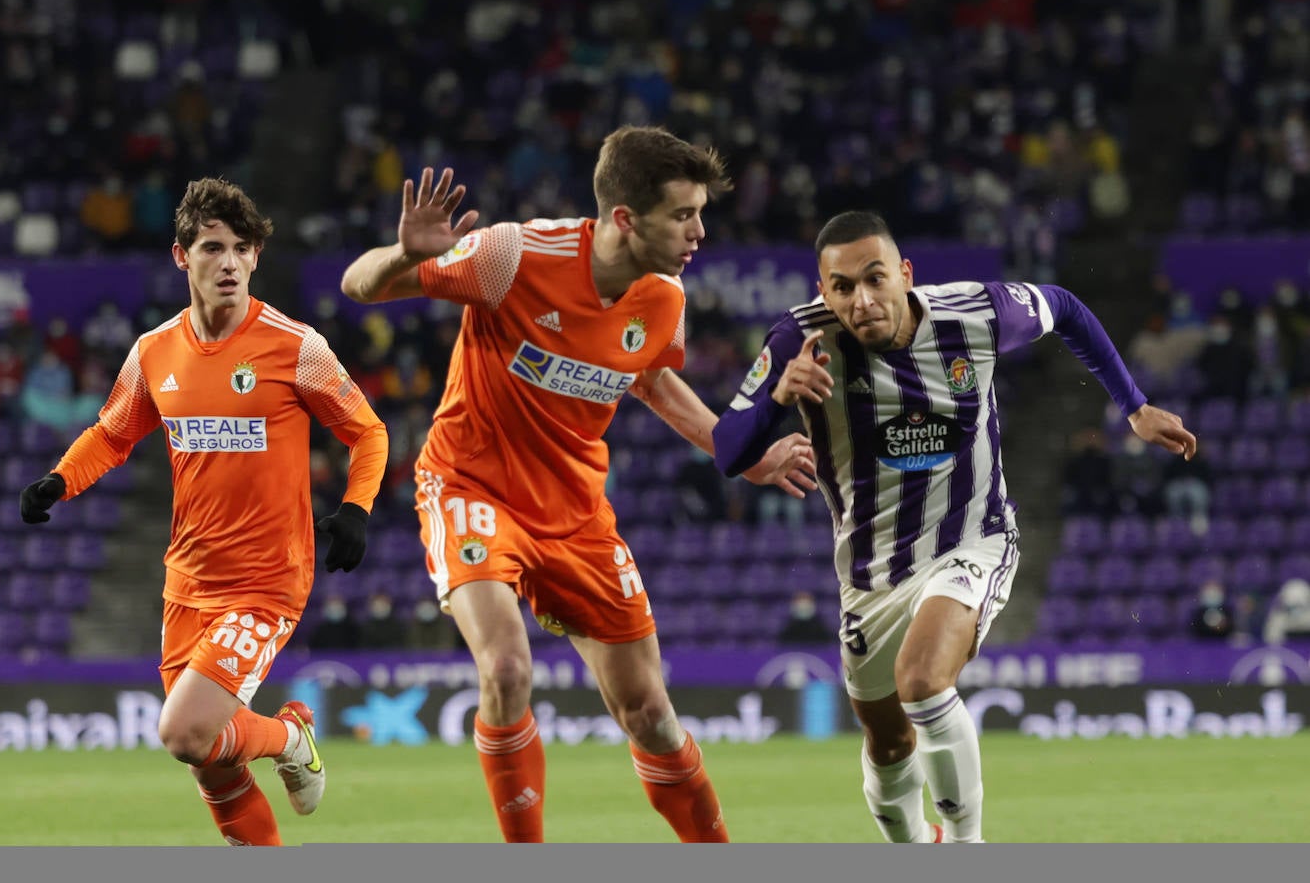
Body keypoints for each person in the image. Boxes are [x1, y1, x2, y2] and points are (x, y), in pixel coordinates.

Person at [340, 129, 816, 843]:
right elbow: (360, 285)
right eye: (683, 214)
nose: (700, 230)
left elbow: (654, 379)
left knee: (650, 712)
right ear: (624, 218)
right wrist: (405, 253)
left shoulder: (664, 297)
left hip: (576, 511)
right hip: (472, 486)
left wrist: (740, 453)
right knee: (505, 665)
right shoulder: (513, 257)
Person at [713, 210, 1196, 844]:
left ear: (905, 275)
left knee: (921, 681)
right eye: (842, 287)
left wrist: (1132, 406)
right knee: (887, 743)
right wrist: (778, 398)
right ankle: (918, 845)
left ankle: (967, 846)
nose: (861, 301)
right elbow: (727, 450)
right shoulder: (797, 342)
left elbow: (1066, 308)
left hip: (972, 539)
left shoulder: (977, 313)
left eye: (875, 279)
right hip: (869, 575)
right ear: (822, 290)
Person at [19, 177, 389, 846]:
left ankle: (289, 735)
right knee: (213, 762)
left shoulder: (295, 346)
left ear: (255, 258)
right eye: (212, 246)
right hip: (187, 580)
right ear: (180, 256)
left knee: (184, 730)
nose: (228, 261)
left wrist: (357, 507)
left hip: (267, 577)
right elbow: (112, 432)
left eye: (241, 248)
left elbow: (368, 432)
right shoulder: (155, 351)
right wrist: (59, 479)